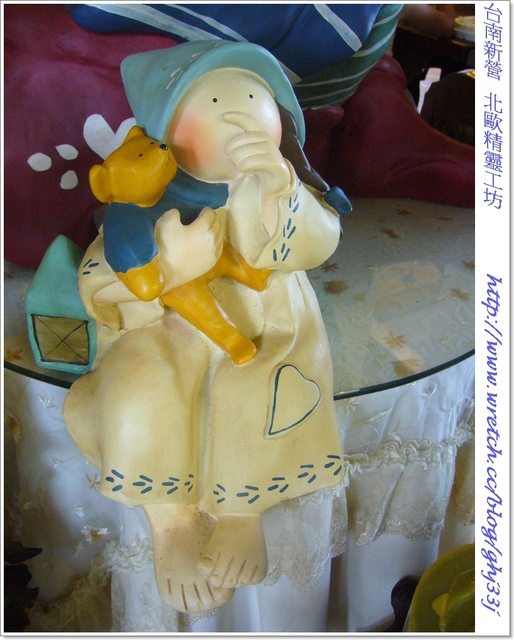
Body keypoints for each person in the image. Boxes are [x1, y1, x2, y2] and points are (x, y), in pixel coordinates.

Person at [63, 40, 345, 614]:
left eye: (256, 100)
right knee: (142, 384)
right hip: (162, 326)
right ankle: (171, 523)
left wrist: (280, 189)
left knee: (261, 381)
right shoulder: (147, 197)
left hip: (263, 318)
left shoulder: (277, 183)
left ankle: (241, 509)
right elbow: (100, 275)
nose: (238, 116)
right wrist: (170, 267)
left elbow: (320, 241)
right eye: (215, 101)